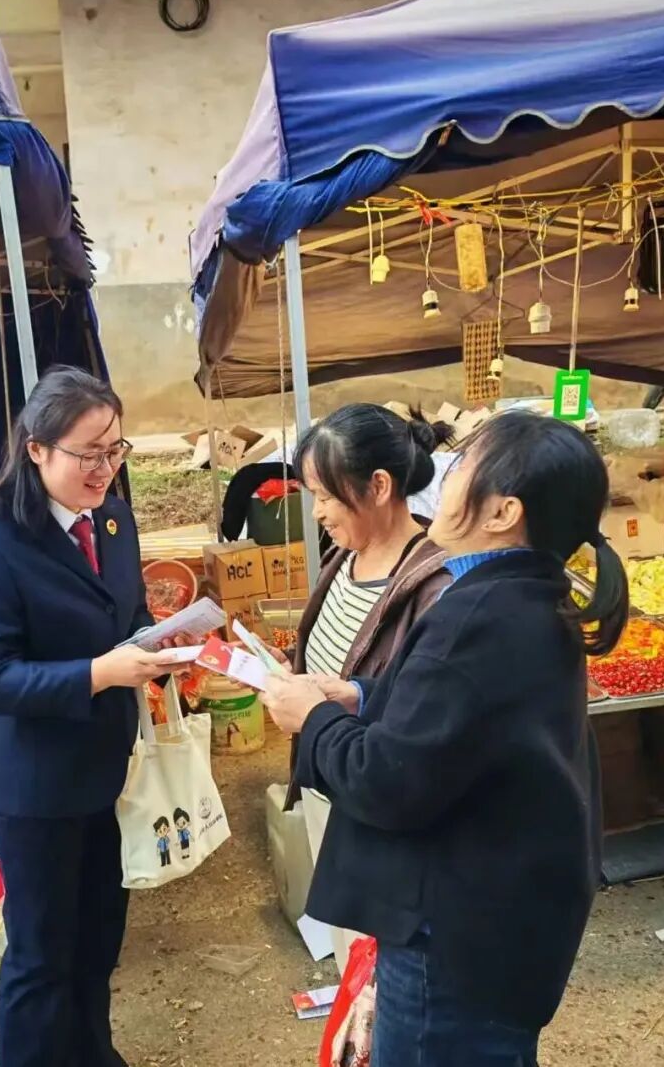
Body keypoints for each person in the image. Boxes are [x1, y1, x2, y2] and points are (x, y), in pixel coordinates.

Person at [262, 412, 628, 1066]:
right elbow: (468, 725)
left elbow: (389, 780)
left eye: (462, 467)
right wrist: (362, 697)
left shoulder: (476, 616)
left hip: (454, 937)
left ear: (503, 512)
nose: (441, 474)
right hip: (500, 919)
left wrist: (312, 720)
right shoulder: (519, 593)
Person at [0, 366, 184, 1067]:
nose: (105, 468)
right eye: (89, 453)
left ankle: (92, 1054)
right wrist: (103, 671)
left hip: (106, 770)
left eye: (115, 449)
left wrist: (161, 642)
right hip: (36, 785)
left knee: (97, 939)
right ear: (37, 449)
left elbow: (127, 612)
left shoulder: (112, 519)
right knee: (42, 954)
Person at [279, 405, 453, 809]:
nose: (317, 512)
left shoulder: (437, 591)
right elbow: (345, 651)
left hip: (367, 797)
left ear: (378, 486)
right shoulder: (344, 555)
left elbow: (422, 718)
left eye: (325, 496)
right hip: (324, 774)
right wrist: (288, 661)